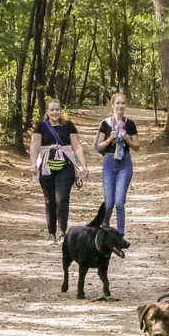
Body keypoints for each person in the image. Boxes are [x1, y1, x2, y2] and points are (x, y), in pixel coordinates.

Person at [30, 99, 89, 243]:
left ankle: (62, 231)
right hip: (46, 166)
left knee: (62, 199)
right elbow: (34, 146)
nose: (55, 112)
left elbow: (76, 146)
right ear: (47, 112)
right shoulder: (40, 127)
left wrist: (83, 165)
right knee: (49, 200)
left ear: (61, 111)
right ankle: (51, 233)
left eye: (57, 109)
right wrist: (33, 164)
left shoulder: (68, 126)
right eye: (52, 110)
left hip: (65, 166)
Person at [95, 93, 140, 234]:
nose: (120, 106)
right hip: (109, 162)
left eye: (123, 103)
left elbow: (137, 147)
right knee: (109, 203)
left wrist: (126, 137)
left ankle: (120, 233)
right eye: (118, 103)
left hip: (125, 163)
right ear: (112, 105)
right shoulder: (105, 124)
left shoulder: (130, 124)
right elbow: (98, 146)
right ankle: (106, 223)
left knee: (119, 202)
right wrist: (110, 138)